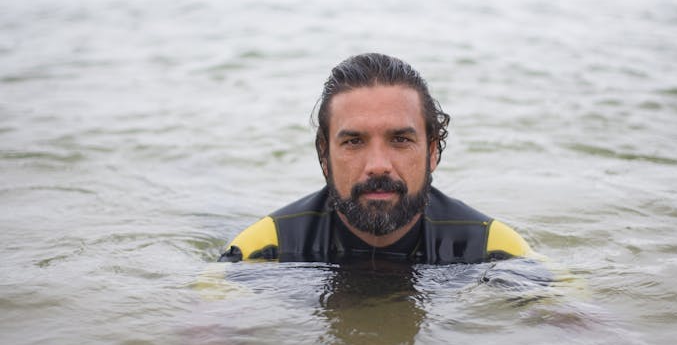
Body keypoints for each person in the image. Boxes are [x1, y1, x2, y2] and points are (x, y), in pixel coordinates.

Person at [219, 53, 533, 264]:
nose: (378, 165)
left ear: (433, 151)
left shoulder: (493, 249)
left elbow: (572, 325)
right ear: (324, 156)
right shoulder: (266, 249)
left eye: (400, 140)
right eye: (354, 141)